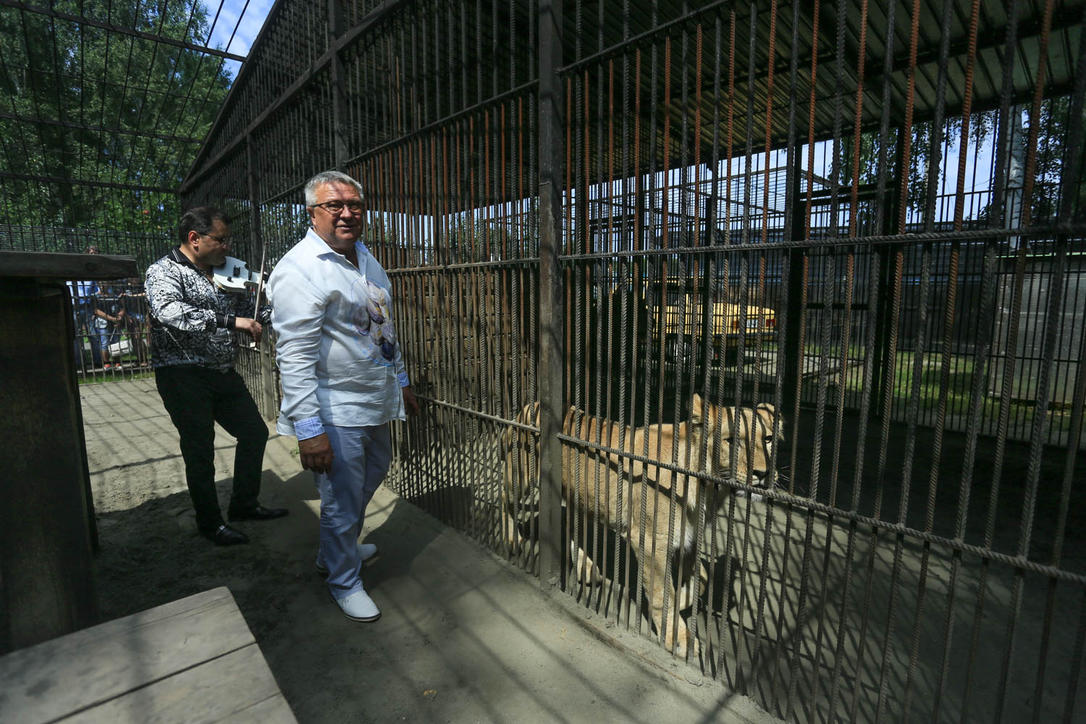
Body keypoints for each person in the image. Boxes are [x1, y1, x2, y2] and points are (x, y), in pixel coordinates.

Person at [267, 170, 419, 622]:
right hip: (333, 408)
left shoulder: (365, 257)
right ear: (312, 213)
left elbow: (383, 325)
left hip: (373, 398)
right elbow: (294, 358)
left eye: (354, 204)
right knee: (341, 497)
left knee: (371, 475)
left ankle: (336, 548)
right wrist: (309, 431)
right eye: (334, 205)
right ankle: (343, 580)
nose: (347, 213)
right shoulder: (299, 270)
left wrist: (402, 380)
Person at [145, 206, 287, 546]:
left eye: (228, 240)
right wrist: (229, 322)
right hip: (182, 373)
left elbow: (246, 312)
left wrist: (281, 310)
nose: (227, 247)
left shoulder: (224, 272)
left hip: (222, 371)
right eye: (221, 240)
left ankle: (244, 505)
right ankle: (210, 524)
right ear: (195, 238)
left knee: (254, 432)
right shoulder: (163, 271)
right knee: (199, 449)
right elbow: (168, 312)